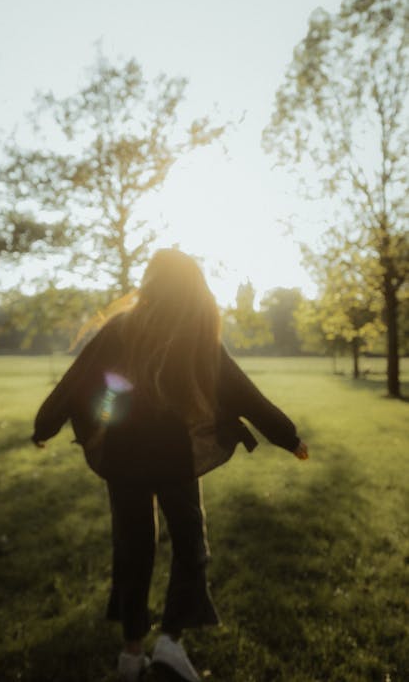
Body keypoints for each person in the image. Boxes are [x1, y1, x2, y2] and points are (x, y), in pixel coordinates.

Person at [32, 249, 309, 682]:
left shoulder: (122, 329)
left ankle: (131, 653)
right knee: (190, 546)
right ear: (192, 287)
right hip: (172, 455)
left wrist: (45, 425)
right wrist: (287, 436)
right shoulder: (194, 332)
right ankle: (170, 642)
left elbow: (78, 379)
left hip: (124, 456)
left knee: (133, 548)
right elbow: (243, 391)